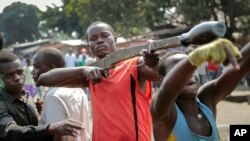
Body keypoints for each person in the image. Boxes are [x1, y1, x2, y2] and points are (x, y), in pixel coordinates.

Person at [36, 21, 159, 141]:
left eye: (105, 36)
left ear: (114, 40)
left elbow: (156, 73)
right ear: (89, 45)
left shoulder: (134, 64)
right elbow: (44, 79)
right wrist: (83, 70)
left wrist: (153, 63)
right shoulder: (91, 74)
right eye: (93, 38)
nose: (100, 40)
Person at [150, 38, 249, 141]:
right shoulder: (164, 111)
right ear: (162, 79)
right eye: (180, 69)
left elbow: (240, 66)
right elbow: (167, 90)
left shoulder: (206, 99)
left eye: (193, 68)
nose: (189, 74)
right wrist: (197, 56)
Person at [0, 50, 83, 141]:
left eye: (19, 72)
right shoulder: (2, 103)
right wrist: (51, 128)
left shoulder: (25, 95)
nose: (17, 78)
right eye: (8, 76)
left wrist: (41, 113)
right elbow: (10, 132)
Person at [31, 47, 90, 141]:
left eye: (37, 67)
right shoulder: (78, 89)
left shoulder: (53, 96)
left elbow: (57, 136)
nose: (32, 72)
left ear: (52, 69)